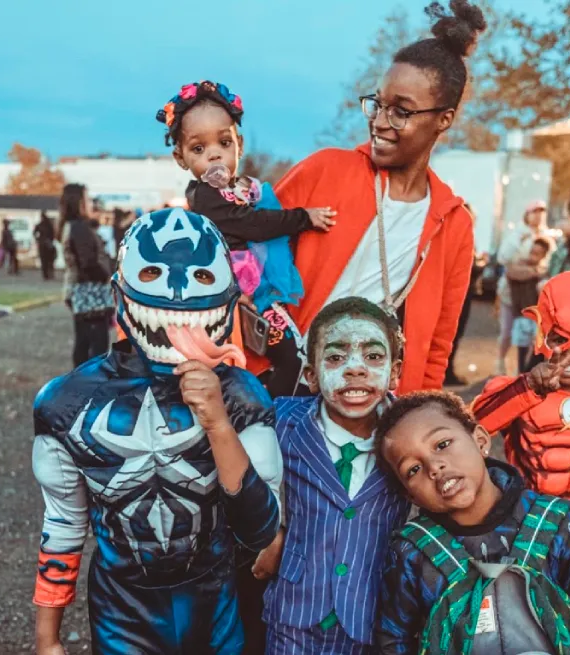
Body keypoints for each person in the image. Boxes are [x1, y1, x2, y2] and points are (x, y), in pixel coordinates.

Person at [31, 208, 283, 655]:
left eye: (199, 279)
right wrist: (46, 636)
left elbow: (261, 528)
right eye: (155, 273)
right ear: (120, 295)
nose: (179, 294)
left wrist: (218, 423)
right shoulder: (67, 403)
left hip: (216, 600)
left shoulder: (242, 396)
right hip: (121, 608)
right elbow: (64, 521)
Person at [259, 0, 486, 396]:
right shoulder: (325, 170)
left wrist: (418, 412)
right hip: (286, 386)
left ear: (444, 119)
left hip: (375, 402)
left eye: (402, 112)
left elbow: (437, 346)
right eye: (379, 103)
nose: (380, 121)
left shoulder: (453, 222)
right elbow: (249, 254)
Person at [374, 390, 570, 654]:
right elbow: (393, 639)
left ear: (480, 440)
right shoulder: (411, 554)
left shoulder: (556, 524)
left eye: (442, 444)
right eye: (413, 469)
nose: (434, 466)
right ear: (411, 495)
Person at [157, 79, 336, 397]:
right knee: (293, 356)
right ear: (181, 158)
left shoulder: (239, 189)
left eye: (224, 144)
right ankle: (274, 416)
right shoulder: (206, 196)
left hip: (246, 291)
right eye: (199, 149)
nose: (214, 156)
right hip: (232, 293)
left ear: (239, 143)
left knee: (258, 359)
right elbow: (251, 225)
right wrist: (302, 218)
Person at [256, 297, 411, 654]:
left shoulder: (409, 431)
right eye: (336, 357)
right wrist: (270, 529)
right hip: (293, 614)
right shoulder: (281, 421)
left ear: (395, 371)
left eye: (373, 356)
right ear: (311, 375)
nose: (355, 369)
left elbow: (463, 437)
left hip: (371, 615)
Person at [470, 271, 570, 578]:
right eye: (560, 339)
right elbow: (472, 427)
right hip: (521, 533)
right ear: (541, 335)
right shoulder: (518, 394)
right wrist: (529, 387)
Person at [491, 200, 552, 376]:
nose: (538, 215)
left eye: (541, 211)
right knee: (507, 331)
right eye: (535, 211)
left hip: (534, 295)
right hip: (512, 292)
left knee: (531, 334)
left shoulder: (547, 236)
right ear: (527, 214)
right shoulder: (517, 235)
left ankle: (523, 370)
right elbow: (504, 258)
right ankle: (501, 361)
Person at [58, 183, 115, 368]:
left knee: (84, 342)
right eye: (88, 199)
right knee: (96, 345)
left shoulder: (74, 226)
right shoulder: (79, 228)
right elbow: (88, 262)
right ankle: (89, 387)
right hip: (90, 292)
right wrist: (108, 275)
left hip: (83, 292)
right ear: (79, 203)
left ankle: (82, 384)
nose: (91, 204)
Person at [504, 237, 551, 374]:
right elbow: (512, 273)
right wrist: (535, 272)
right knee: (521, 348)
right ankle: (521, 374)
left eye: (538, 253)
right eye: (532, 252)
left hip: (536, 317)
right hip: (522, 314)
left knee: (535, 348)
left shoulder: (543, 271)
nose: (533, 256)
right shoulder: (521, 266)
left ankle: (526, 374)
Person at [34, 211, 57, 280]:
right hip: (44, 244)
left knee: (48, 260)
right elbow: (34, 233)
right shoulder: (41, 225)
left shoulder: (46, 225)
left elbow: (53, 234)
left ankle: (48, 274)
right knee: (46, 260)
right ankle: (46, 274)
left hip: (46, 244)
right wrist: (38, 239)